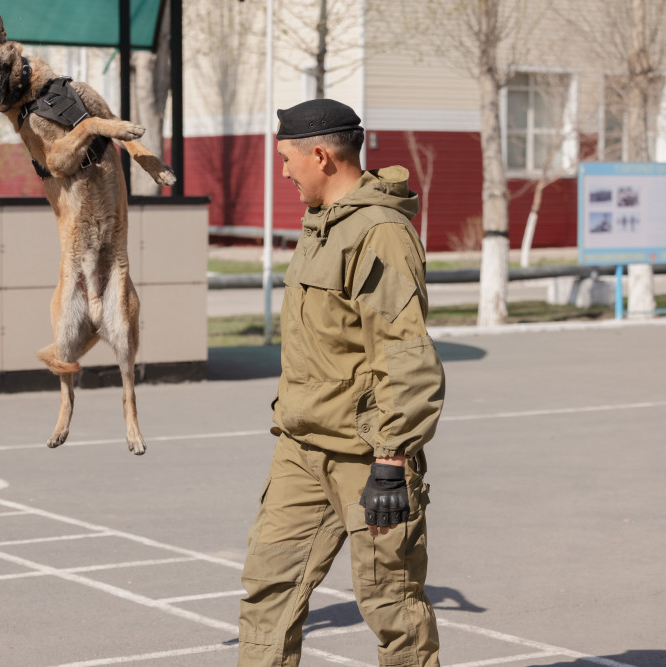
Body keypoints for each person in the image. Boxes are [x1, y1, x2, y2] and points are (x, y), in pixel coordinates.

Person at [237, 99, 446, 667]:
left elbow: (404, 354)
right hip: (301, 449)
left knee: (392, 608)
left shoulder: (379, 233)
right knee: (268, 592)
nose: (284, 171)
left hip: (366, 457)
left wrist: (391, 459)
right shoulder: (321, 226)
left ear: (321, 156)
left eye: (287, 159)